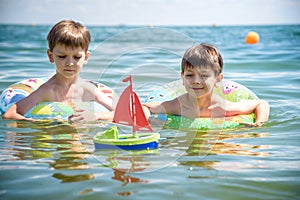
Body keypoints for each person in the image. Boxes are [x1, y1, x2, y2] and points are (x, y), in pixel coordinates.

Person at [2, 19, 113, 122]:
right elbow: (10, 114)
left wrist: (96, 116)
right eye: (62, 56)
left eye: (77, 57)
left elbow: (123, 113)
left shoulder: (88, 89)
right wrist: (37, 123)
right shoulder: (48, 90)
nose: (70, 63)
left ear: (86, 57)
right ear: (51, 56)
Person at [143, 43, 270, 126]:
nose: (196, 81)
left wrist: (259, 124)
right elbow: (145, 106)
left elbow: (261, 104)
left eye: (204, 75)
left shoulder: (223, 107)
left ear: (218, 79)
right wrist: (146, 122)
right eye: (189, 75)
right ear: (182, 78)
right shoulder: (178, 106)